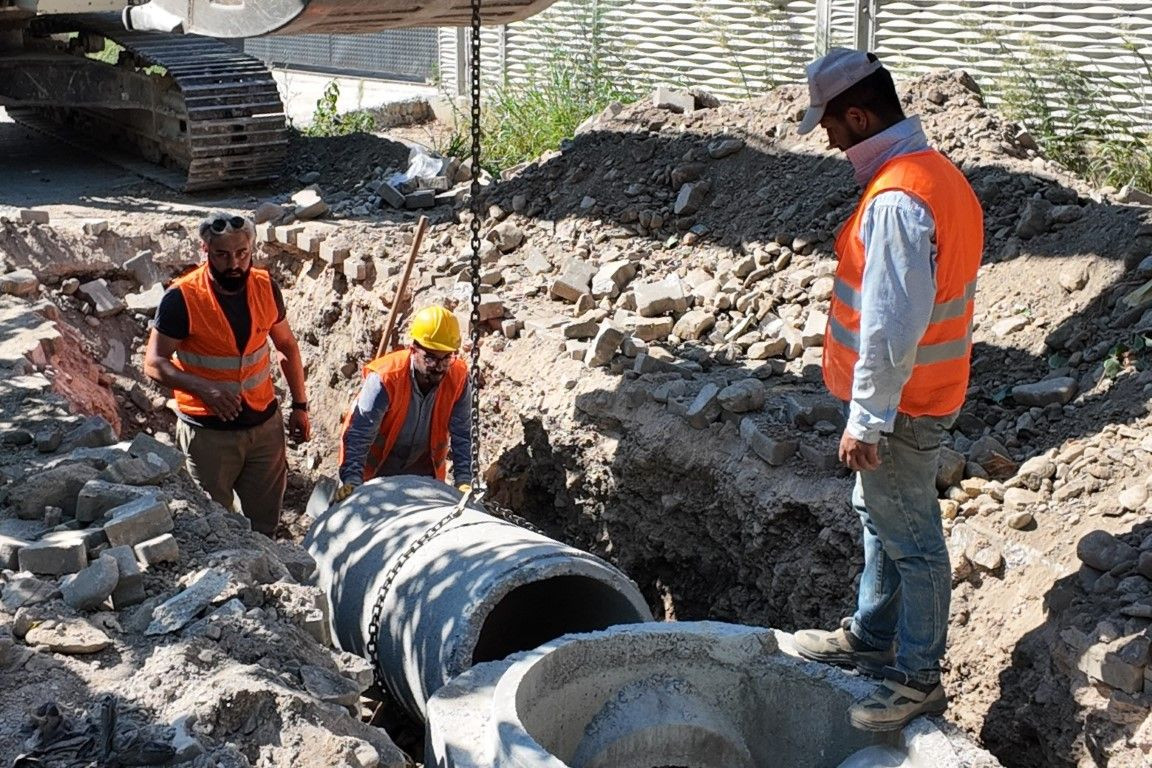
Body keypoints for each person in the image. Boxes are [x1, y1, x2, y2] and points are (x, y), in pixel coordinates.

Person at [788, 49, 984, 732]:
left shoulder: (901, 197)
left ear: (860, 114)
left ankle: (917, 678)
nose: (828, 137)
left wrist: (868, 419)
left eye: (832, 125)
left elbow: (891, 324)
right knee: (880, 514)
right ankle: (870, 638)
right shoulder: (933, 177)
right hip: (922, 392)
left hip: (905, 404)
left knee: (914, 538)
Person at [143, 212, 311, 536]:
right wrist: (203, 388)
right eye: (222, 254)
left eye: (242, 253)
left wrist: (300, 406)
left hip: (264, 428)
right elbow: (154, 362)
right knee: (217, 528)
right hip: (208, 435)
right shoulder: (183, 298)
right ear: (204, 250)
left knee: (266, 526)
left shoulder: (266, 287)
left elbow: (287, 346)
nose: (233, 263)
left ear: (251, 249)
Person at [334, 305, 472, 501]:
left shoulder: (458, 378)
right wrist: (352, 479)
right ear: (413, 349)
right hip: (373, 476)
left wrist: (464, 480)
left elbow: (463, 434)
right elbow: (359, 434)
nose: (439, 367)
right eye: (431, 358)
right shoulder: (386, 379)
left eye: (446, 358)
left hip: (425, 479)